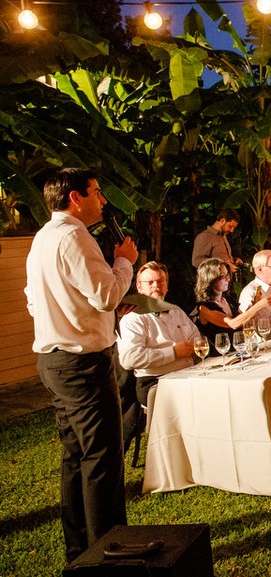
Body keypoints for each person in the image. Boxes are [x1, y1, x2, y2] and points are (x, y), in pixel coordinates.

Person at [25, 168, 138, 562]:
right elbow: (106, 294)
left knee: (76, 458)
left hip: (54, 360)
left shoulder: (42, 238)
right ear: (76, 198)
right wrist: (124, 262)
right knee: (102, 460)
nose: (103, 200)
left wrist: (76, 317)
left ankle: (81, 551)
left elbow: (33, 299)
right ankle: (110, 552)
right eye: (96, 192)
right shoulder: (75, 236)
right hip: (82, 364)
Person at [118, 262, 201, 405]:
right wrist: (173, 352)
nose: (156, 286)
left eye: (161, 281)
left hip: (189, 375)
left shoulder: (177, 312)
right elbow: (129, 359)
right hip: (156, 381)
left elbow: (197, 339)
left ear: (167, 286)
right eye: (150, 282)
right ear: (139, 287)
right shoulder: (132, 318)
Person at [195, 258, 271, 342]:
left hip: (239, 347)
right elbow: (233, 324)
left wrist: (255, 304)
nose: (228, 279)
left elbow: (242, 324)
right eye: (222, 276)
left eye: (227, 275)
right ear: (210, 279)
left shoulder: (229, 300)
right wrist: (259, 305)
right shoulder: (204, 308)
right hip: (220, 350)